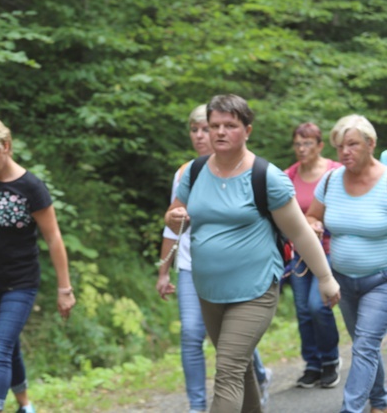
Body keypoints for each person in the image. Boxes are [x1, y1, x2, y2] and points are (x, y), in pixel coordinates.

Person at [165, 94, 340, 413]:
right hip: (209, 290)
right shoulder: (194, 171)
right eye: (214, 125)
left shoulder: (266, 176)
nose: (219, 132)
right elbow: (175, 214)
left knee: (228, 370)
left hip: (255, 290)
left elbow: (299, 231)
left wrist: (326, 278)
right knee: (240, 367)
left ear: (247, 130)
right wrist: (174, 217)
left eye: (229, 125)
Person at [156, 104, 272, 413]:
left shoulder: (252, 171)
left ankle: (256, 375)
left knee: (231, 355)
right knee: (193, 335)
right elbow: (174, 223)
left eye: (204, 129)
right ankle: (197, 405)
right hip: (194, 271)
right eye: (195, 130)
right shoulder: (187, 173)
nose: (201, 135)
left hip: (243, 275)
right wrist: (163, 270)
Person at [0, 119, 76, 413]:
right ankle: (26, 406)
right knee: (9, 346)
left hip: (21, 283)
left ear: (6, 147)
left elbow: (54, 239)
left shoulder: (31, 187)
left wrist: (64, 288)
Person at [306, 114, 387, 413]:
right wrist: (313, 224)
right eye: (340, 146)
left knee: (364, 346)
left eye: (352, 144)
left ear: (371, 144)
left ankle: (350, 409)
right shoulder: (330, 180)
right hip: (341, 279)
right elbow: (312, 215)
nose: (344, 152)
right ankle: (380, 401)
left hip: (381, 280)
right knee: (364, 344)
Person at [283, 122, 341, 389]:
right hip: (300, 253)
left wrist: (319, 222)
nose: (301, 149)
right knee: (304, 311)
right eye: (297, 143)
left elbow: (348, 207)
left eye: (307, 143)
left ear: (320, 146)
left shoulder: (334, 172)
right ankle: (313, 364)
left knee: (319, 306)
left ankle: (330, 360)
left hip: (329, 249)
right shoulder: (289, 176)